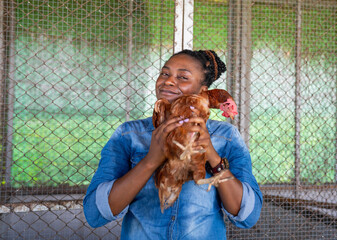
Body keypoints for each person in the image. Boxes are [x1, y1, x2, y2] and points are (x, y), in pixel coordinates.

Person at [83, 49, 263, 239]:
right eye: (165, 73)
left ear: (202, 91)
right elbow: (95, 214)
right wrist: (151, 161)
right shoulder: (129, 135)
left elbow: (248, 216)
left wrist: (213, 157)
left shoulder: (226, 137)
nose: (168, 81)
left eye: (183, 77)